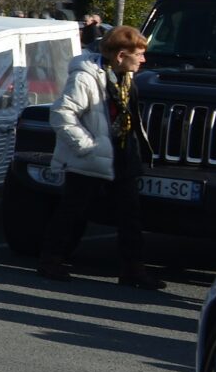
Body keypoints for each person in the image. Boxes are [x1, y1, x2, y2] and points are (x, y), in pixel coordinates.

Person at [40, 26, 165, 288]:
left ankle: (133, 270)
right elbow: (61, 114)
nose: (143, 60)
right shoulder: (85, 78)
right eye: (139, 54)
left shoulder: (126, 78)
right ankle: (51, 260)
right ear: (121, 56)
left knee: (130, 215)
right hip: (91, 156)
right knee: (74, 210)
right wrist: (87, 146)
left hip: (122, 154)